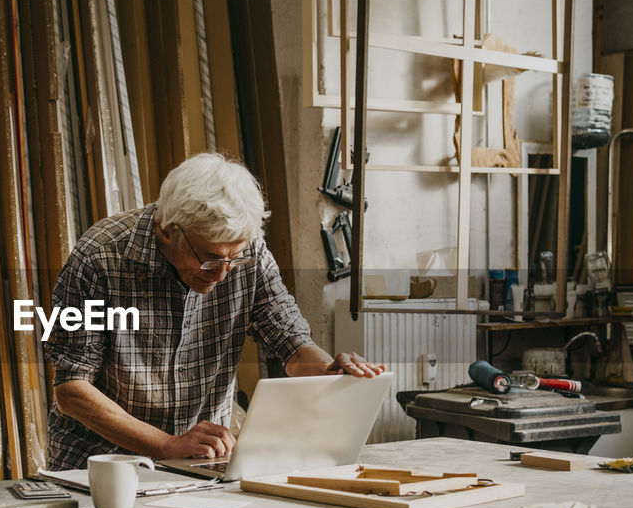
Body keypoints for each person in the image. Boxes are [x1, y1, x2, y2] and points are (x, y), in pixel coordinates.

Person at [43, 152, 385, 471]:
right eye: (209, 257)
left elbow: (291, 343)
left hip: (200, 460)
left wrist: (329, 373)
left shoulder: (248, 254)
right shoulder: (99, 257)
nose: (222, 273)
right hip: (99, 461)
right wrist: (166, 445)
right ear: (167, 230)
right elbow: (71, 388)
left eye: (232, 258)